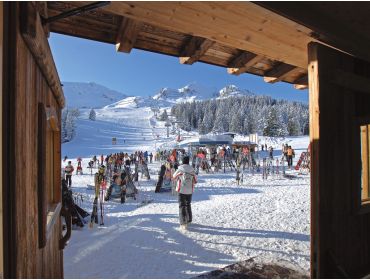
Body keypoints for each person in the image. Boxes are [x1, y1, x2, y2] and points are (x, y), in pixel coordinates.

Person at [172, 156, 197, 230]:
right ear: (188, 161)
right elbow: (195, 180)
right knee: (188, 204)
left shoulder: (180, 169)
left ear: (182, 161)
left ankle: (183, 223)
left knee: (182, 205)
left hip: (181, 190)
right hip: (190, 190)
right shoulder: (192, 169)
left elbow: (174, 176)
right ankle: (189, 220)